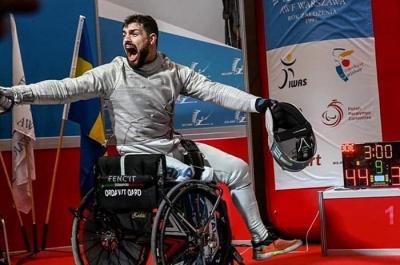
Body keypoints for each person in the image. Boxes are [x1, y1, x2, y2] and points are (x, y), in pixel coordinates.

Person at [0, 14, 303, 260]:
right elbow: (65, 88)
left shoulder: (173, 72)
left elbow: (216, 90)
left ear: (151, 39)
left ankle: (262, 241)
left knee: (239, 169)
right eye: (123, 35)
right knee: (203, 175)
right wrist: (15, 95)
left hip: (172, 148)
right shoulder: (113, 72)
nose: (126, 40)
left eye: (133, 33)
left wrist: (259, 103)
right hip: (139, 159)